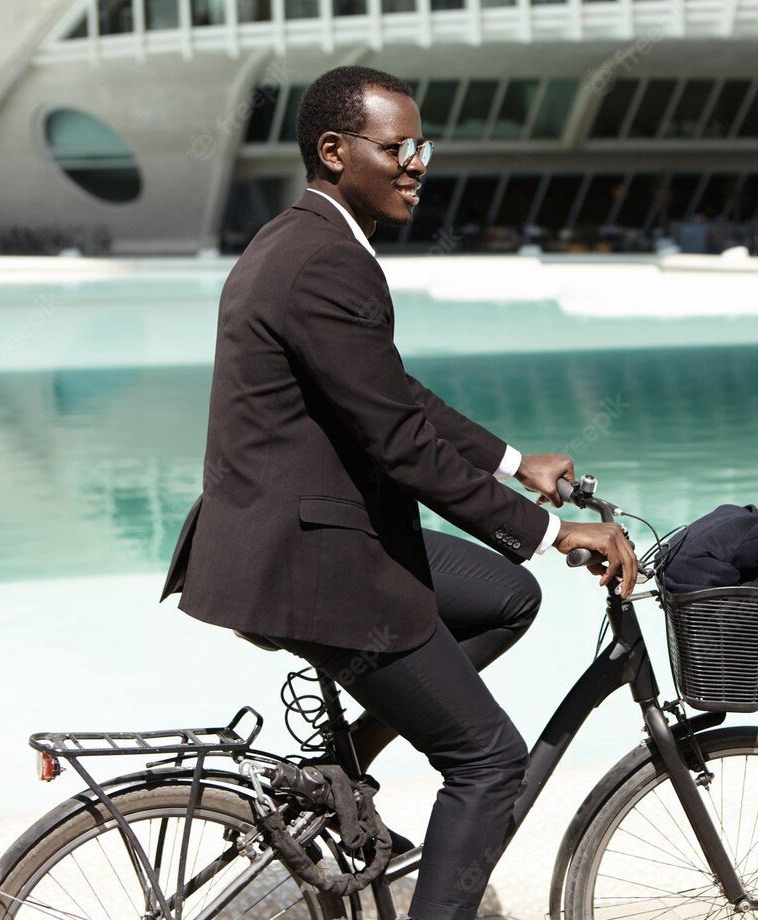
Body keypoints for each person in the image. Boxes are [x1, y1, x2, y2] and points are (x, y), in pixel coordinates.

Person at [159, 64, 638, 920]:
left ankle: (343, 761)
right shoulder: (327, 262)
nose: (416, 163)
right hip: (310, 566)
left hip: (280, 543)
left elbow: (391, 393)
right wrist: (549, 531)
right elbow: (399, 444)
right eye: (396, 147)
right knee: (489, 760)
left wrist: (514, 459)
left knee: (503, 598)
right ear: (337, 151)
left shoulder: (300, 239)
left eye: (421, 146)